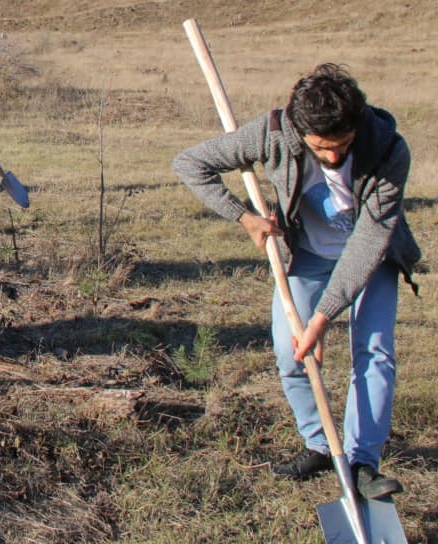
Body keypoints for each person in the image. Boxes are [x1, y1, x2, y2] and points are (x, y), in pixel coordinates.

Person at [172, 63, 421, 499]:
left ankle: (363, 463)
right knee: (291, 354)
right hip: (305, 255)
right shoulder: (272, 135)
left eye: (342, 146)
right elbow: (190, 163)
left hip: (372, 256)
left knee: (375, 350)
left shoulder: (386, 150)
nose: (332, 157)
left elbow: (369, 239)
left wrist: (324, 316)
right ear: (299, 130)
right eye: (321, 148)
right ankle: (321, 443)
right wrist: (244, 217)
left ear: (357, 126)